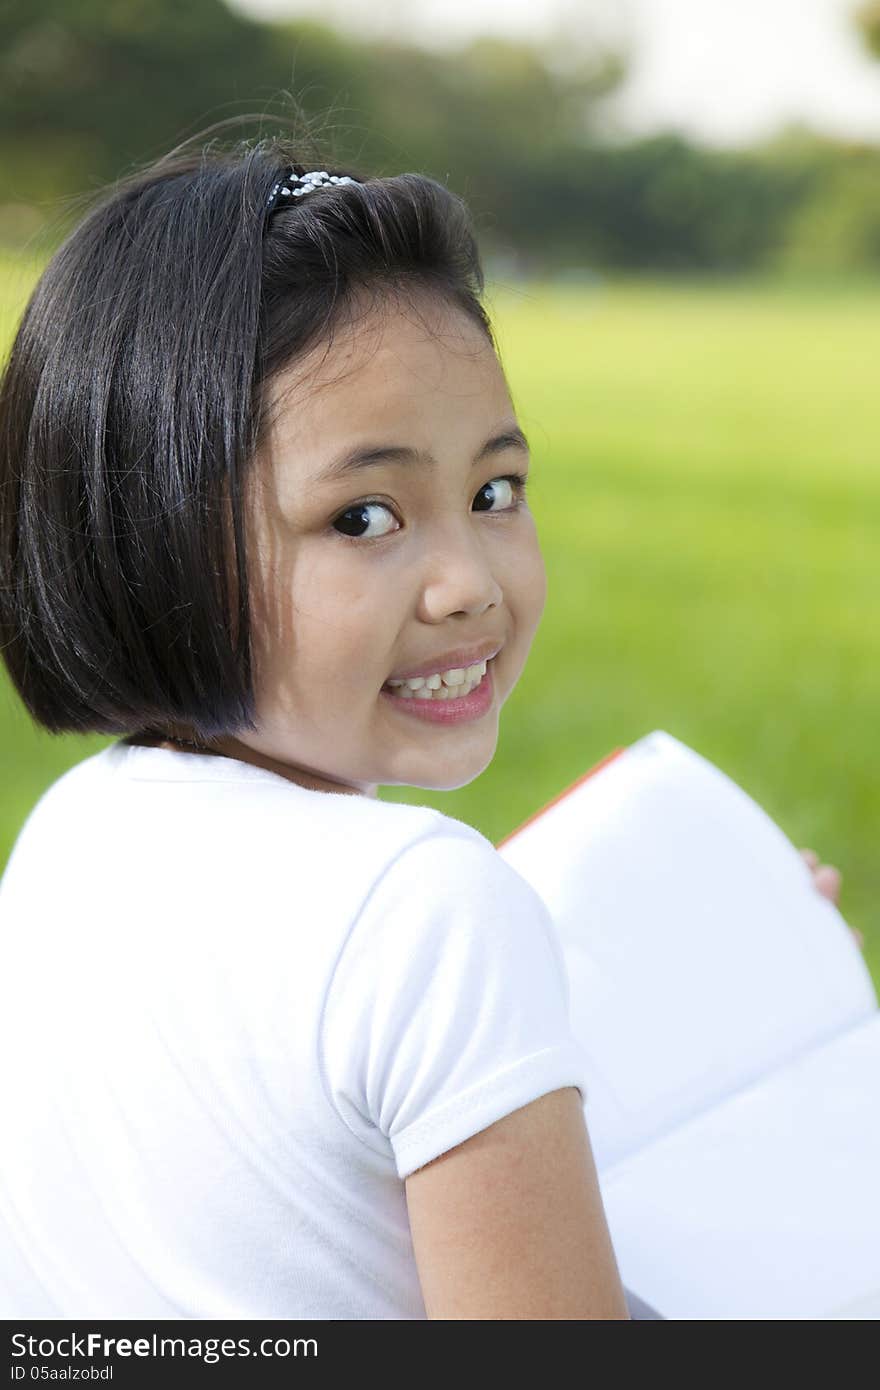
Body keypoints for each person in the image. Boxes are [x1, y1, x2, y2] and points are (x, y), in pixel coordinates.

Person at [0, 127, 850, 1322]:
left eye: (494, 490)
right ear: (148, 540)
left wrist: (684, 992)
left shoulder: (71, 833)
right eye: (362, 517)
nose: (468, 584)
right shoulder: (428, 909)